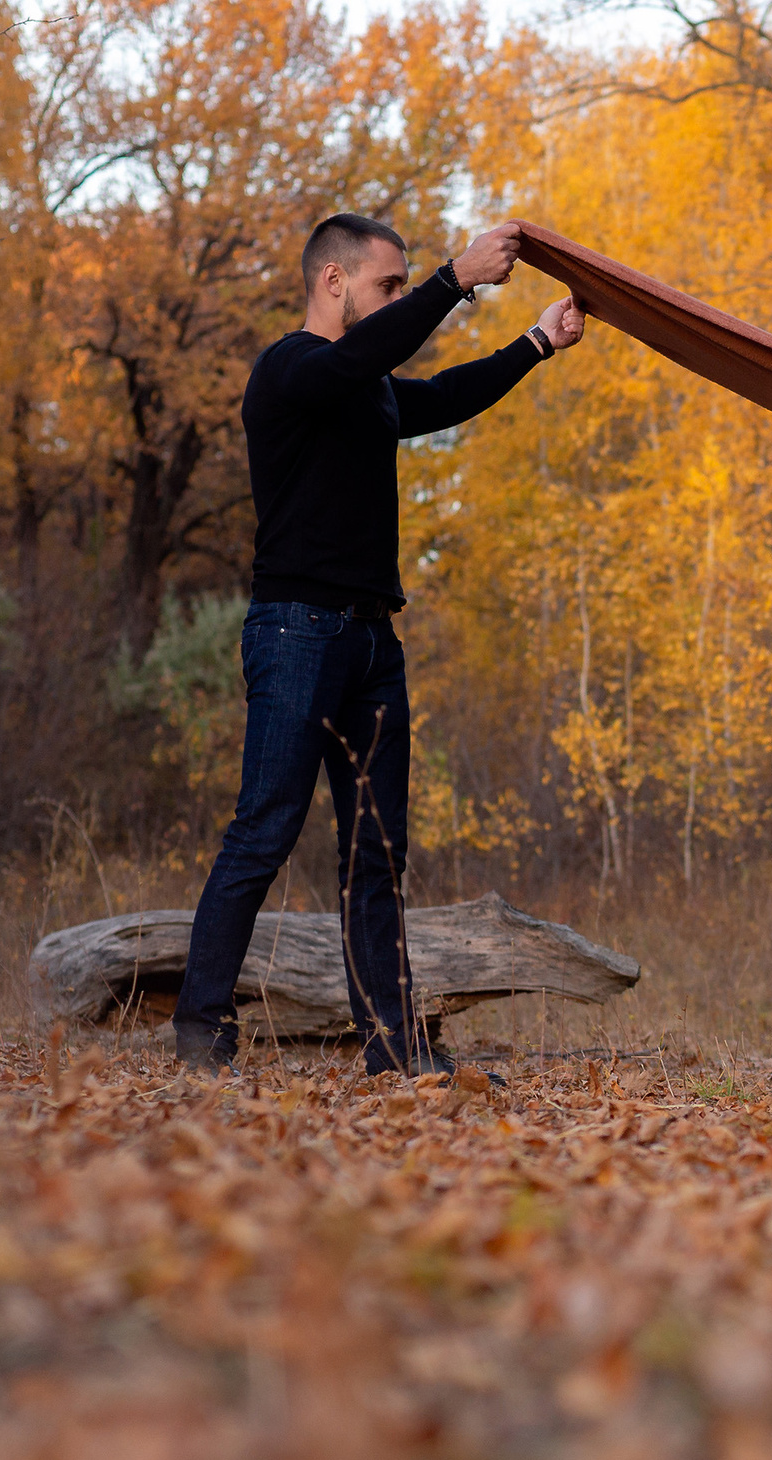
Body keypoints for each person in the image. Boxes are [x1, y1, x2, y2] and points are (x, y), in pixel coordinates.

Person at [172, 215, 587, 1076]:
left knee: (376, 853)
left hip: (370, 647)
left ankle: (391, 1051)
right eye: (386, 286)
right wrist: (454, 278)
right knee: (264, 832)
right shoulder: (290, 370)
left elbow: (443, 396)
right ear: (332, 281)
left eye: (405, 287)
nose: (398, 299)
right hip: (296, 635)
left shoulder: (368, 389)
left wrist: (537, 342)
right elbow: (360, 360)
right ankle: (201, 1034)